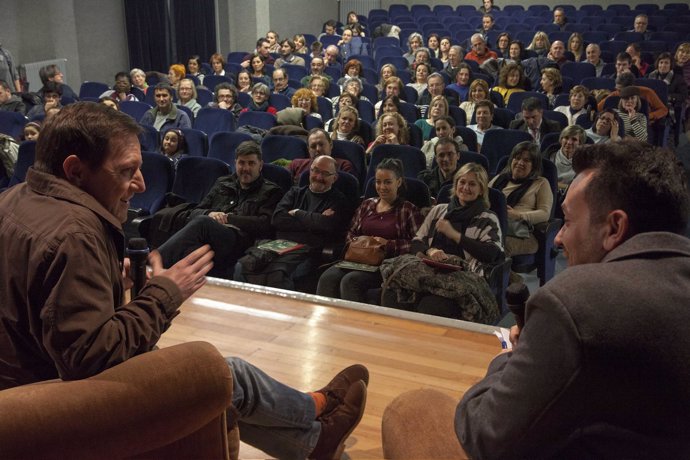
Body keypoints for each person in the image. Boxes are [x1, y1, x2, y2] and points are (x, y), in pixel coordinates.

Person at [0, 103, 368, 459]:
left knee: (214, 382)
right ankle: (313, 413)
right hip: (52, 408)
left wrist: (106, 276)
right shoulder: (75, 235)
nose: (142, 185)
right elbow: (89, 358)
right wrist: (165, 292)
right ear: (76, 171)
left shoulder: (13, 200)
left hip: (21, 395)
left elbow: (42, 304)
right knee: (217, 374)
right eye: (128, 171)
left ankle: (313, 437)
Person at [456, 140, 690, 458]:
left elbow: (486, 434)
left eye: (567, 221)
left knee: (412, 411)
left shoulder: (572, 301)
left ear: (614, 227)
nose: (559, 237)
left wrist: (510, 358)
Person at [381, 163, 504, 323]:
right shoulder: (439, 210)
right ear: (456, 184)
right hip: (428, 271)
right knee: (392, 294)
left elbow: (492, 254)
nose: (466, 187)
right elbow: (417, 242)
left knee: (430, 305)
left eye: (472, 184)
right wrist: (430, 251)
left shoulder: (487, 218)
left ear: (481, 190)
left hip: (462, 277)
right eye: (462, 182)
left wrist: (455, 235)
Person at [156, 140, 283, 278]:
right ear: (235, 163)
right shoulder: (223, 182)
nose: (245, 168)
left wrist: (228, 218)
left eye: (251, 163)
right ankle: (167, 281)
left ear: (260, 165)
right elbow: (197, 210)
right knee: (191, 247)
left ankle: (152, 263)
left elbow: (265, 224)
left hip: (241, 242)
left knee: (202, 223)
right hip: (212, 236)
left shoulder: (271, 191)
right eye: (241, 163)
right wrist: (211, 213)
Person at [235, 155, 354, 291]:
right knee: (243, 266)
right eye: (315, 171)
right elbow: (277, 219)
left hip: (307, 251)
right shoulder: (295, 192)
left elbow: (325, 225)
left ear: (334, 178)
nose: (318, 177)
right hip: (277, 246)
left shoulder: (339, 201)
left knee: (278, 275)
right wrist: (313, 220)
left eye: (325, 173)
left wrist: (297, 213)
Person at [317, 158, 422, 303]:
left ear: (398, 182)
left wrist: (388, 244)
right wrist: (359, 242)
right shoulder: (367, 205)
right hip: (358, 258)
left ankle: (356, 325)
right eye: (378, 182)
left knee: (350, 281)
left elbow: (418, 244)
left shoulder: (408, 210)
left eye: (387, 182)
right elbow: (351, 231)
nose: (382, 187)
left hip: (386, 264)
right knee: (327, 278)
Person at [489, 141, 552, 259]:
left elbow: (545, 214)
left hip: (524, 234)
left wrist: (518, 215)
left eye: (527, 160)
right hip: (494, 228)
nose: (520, 163)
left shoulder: (541, 183)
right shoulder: (500, 178)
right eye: (517, 158)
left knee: (497, 246)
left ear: (534, 165)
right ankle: (508, 277)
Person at [288, 128, 353, 183]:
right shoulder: (296, 165)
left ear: (330, 145)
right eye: (313, 146)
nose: (318, 149)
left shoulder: (344, 166)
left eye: (321, 144)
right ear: (308, 149)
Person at [546, 125, 587, 191]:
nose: (569, 142)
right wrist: (567, 187)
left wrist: (556, 185)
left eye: (574, 139)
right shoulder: (548, 156)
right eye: (566, 138)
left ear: (580, 144)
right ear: (561, 139)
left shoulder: (584, 163)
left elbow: (582, 188)